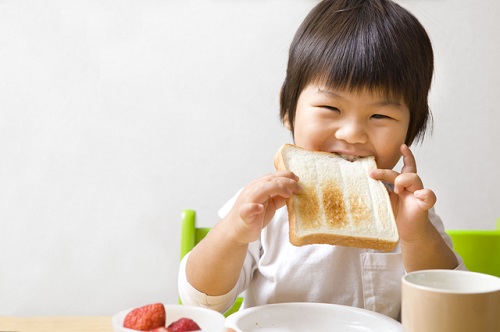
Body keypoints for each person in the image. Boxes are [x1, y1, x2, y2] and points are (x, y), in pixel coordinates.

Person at [178, 0, 465, 320]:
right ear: (288, 109)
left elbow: (453, 308)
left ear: (411, 129)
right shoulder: (261, 207)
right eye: (331, 109)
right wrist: (233, 232)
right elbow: (201, 302)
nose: (353, 133)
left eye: (380, 115)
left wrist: (416, 233)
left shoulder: (410, 211)